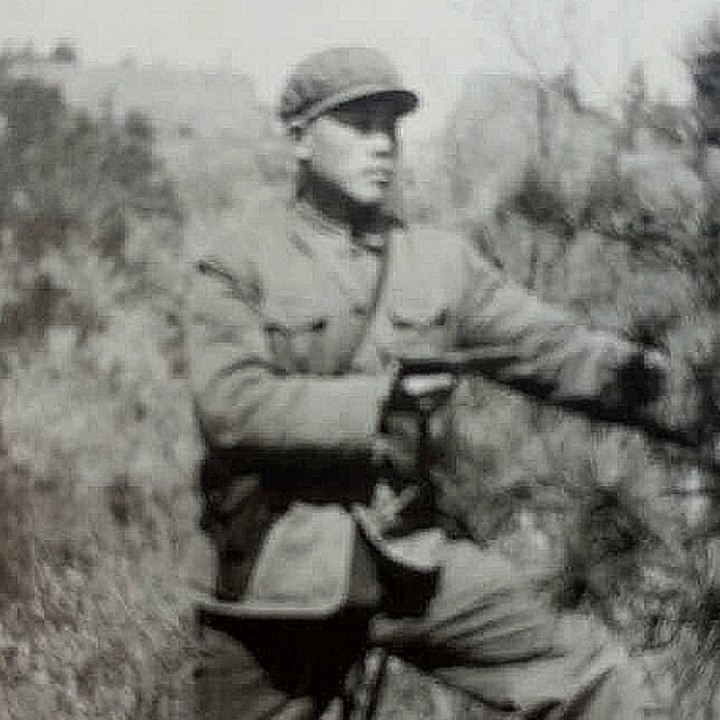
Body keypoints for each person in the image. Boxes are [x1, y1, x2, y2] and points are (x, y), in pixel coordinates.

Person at [187, 46, 679, 720]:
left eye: (390, 127)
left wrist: (672, 387)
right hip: (276, 579)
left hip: (410, 564)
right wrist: (376, 406)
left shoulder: (438, 262)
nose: (381, 145)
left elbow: (551, 349)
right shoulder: (240, 263)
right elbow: (231, 406)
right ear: (300, 139)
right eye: (359, 125)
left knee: (589, 675)